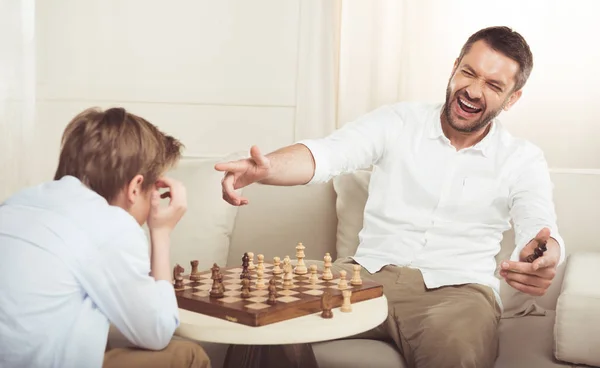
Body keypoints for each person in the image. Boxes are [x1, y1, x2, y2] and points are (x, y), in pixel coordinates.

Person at [214, 26, 565, 368]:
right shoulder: (398, 121)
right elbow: (329, 153)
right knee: (259, 316)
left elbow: (538, 224)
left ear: (511, 99)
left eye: (492, 85)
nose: (473, 90)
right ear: (454, 67)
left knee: (459, 354)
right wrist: (267, 167)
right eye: (468, 73)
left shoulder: (522, 158)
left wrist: (544, 253)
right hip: (363, 276)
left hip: (459, 293)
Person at [0, 108, 210, 368]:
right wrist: (161, 233)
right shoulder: (111, 225)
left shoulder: (17, 203)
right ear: (135, 188)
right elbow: (157, 331)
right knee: (189, 356)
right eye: (152, 192)